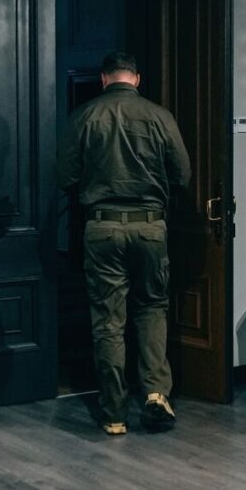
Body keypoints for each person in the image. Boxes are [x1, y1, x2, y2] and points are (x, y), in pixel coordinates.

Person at [57, 50, 191, 435]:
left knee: (108, 321)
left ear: (104, 79)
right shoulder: (160, 116)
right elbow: (182, 174)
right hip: (150, 227)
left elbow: (64, 176)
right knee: (152, 309)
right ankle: (155, 394)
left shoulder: (84, 116)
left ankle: (114, 413)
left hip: (102, 227)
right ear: (137, 78)